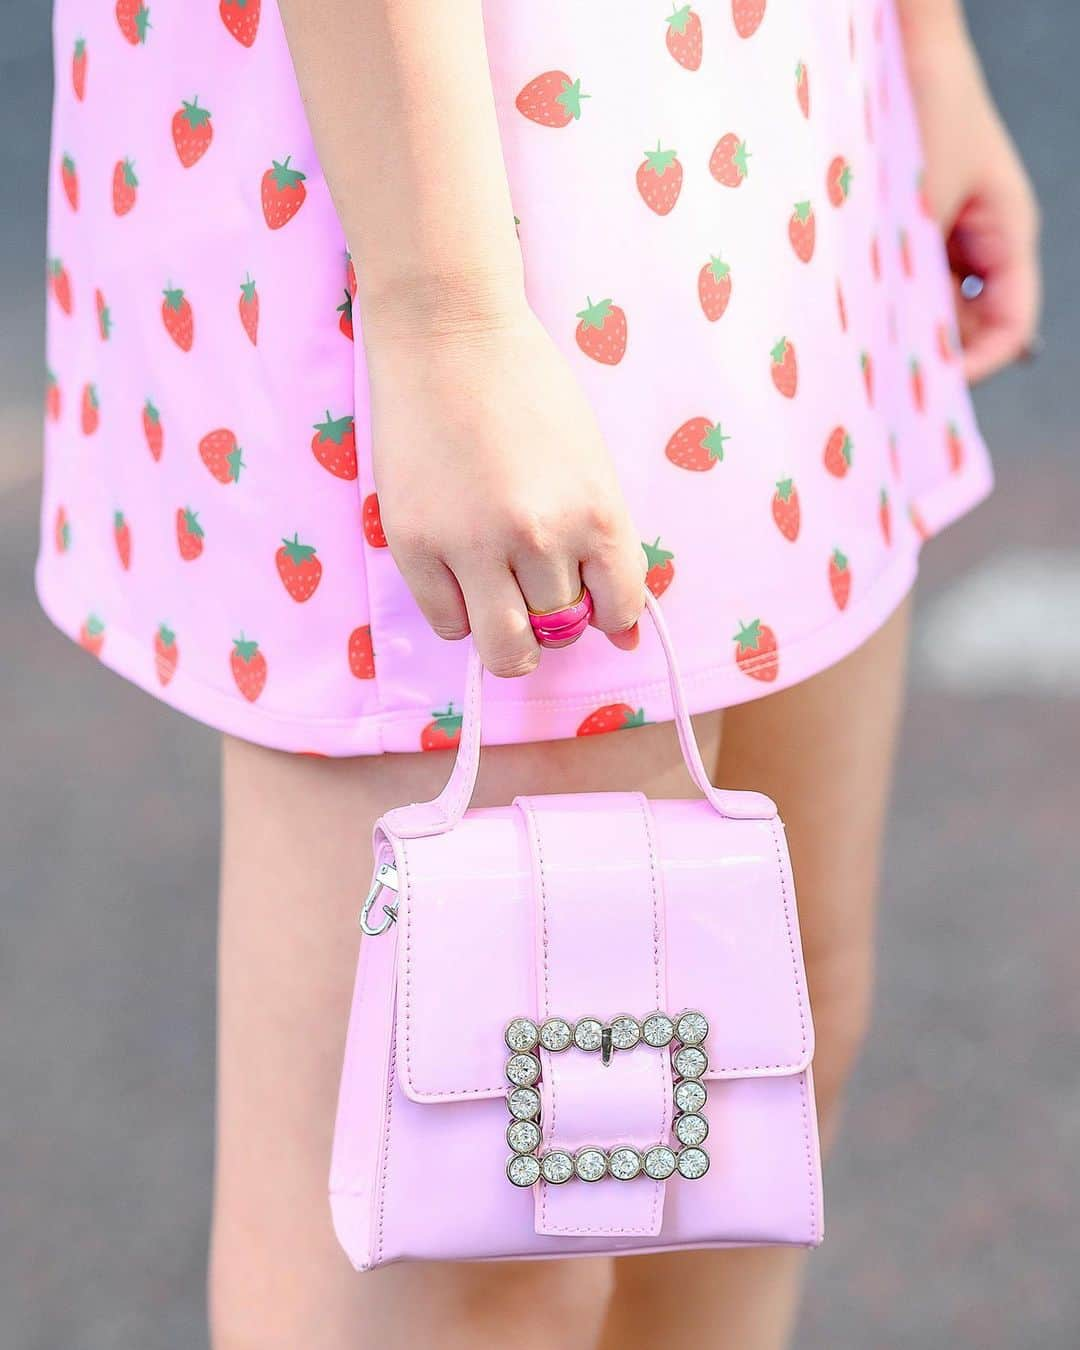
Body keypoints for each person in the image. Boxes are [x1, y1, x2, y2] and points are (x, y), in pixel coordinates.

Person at [37, 0, 1039, 1345]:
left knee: (747, 1101)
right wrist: (442, 308)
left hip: (782, 123)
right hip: (454, 172)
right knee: (475, 1233)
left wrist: (927, 48)